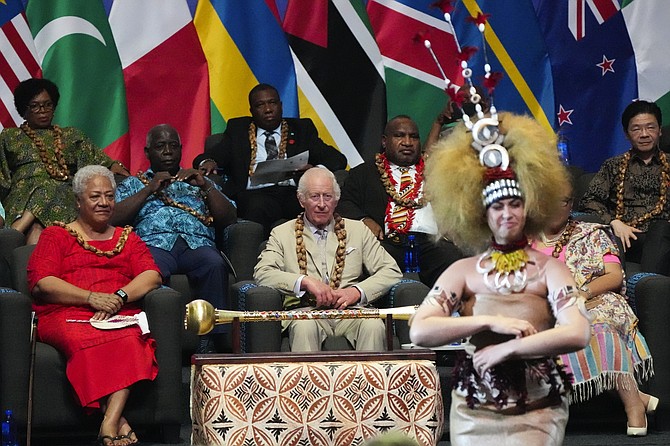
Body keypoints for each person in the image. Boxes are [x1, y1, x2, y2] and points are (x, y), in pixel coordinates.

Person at [409, 112, 591, 445]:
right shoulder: (463, 271)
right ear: (482, 214)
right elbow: (421, 330)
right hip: (473, 410)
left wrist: (510, 349)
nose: (506, 214)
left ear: (529, 208)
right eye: (497, 207)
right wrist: (491, 322)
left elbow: (578, 333)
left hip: (538, 407)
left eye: (514, 204)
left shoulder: (550, 269)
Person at [27, 165, 162, 446]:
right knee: (86, 341)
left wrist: (121, 296)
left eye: (110, 196)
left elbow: (152, 275)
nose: (104, 203)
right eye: (95, 196)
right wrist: (90, 297)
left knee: (130, 339)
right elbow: (43, 282)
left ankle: (109, 422)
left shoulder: (128, 238)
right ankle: (118, 421)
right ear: (78, 201)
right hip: (66, 313)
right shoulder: (57, 235)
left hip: (117, 312)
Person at [535, 184, 657, 436]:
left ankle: (633, 406)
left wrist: (583, 293)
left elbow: (613, 276)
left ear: (571, 206)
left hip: (595, 300)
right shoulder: (524, 241)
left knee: (599, 329)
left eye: (564, 201)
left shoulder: (592, 234)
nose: (556, 207)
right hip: (547, 310)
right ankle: (638, 397)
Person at [112, 124, 237, 353]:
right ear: (148, 152)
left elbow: (229, 218)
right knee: (148, 270)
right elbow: (113, 218)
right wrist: (149, 189)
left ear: (181, 149)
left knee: (214, 264)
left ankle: (210, 342)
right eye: (160, 146)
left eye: (173, 146)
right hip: (154, 244)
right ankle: (153, 339)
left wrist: (205, 185)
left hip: (196, 243)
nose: (167, 151)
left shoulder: (200, 181)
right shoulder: (132, 183)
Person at [254, 167, 402, 352]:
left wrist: (357, 291)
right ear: (301, 200)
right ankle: (307, 382)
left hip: (351, 310)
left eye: (328, 196)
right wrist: (304, 282)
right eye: (315, 197)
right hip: (307, 311)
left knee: (373, 325)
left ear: (336, 200)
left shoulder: (358, 230)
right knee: (304, 326)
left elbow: (391, 271)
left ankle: (368, 382)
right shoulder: (282, 233)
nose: (322, 204)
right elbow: (263, 273)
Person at [193, 83, 348, 236]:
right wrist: (207, 162)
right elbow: (212, 156)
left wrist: (314, 171)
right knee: (259, 206)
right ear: (252, 111)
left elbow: (337, 159)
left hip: (292, 192)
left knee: (306, 204)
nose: (268, 109)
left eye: (272, 103)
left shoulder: (302, 129)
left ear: (281, 105)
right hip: (254, 195)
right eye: (260, 105)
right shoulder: (238, 129)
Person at [338, 115, 462, 287]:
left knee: (456, 261)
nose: (407, 142)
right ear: (384, 141)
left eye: (414, 136)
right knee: (364, 261)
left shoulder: (435, 171)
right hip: (387, 244)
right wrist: (364, 219)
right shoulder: (364, 173)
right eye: (399, 136)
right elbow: (344, 203)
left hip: (430, 244)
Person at [0, 78, 128, 244]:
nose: (43, 110)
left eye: (48, 105)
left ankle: (16, 230)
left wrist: (115, 166)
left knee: (52, 191)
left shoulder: (72, 135)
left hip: (65, 195)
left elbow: (101, 163)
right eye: (35, 106)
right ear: (23, 109)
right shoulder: (10, 137)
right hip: (23, 197)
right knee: (39, 214)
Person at [579, 99, 670, 276]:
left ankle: (648, 287)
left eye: (650, 127)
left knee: (660, 230)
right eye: (636, 129)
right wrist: (614, 222)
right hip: (626, 238)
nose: (644, 134)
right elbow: (589, 201)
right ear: (627, 134)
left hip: (665, 237)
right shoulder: (613, 166)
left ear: (660, 130)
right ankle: (647, 288)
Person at [423, 84, 490, 154]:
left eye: (473, 99)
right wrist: (438, 123)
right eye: (461, 100)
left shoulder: (493, 129)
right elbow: (427, 158)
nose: (466, 102)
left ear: (484, 104)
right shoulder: (446, 134)